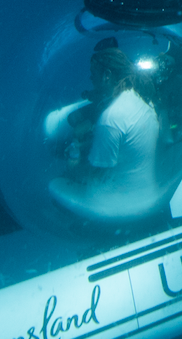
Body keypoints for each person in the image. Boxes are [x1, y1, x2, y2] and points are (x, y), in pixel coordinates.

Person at [49, 38, 163, 222]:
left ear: (107, 75)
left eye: (93, 73)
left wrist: (74, 157)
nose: (90, 78)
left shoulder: (111, 118)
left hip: (120, 203)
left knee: (55, 184)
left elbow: (93, 173)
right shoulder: (143, 98)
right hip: (148, 188)